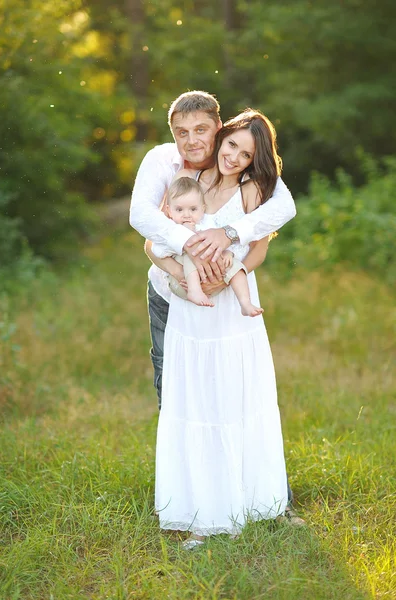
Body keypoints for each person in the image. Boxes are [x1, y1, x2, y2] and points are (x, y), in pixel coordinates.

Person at [130, 91, 304, 525]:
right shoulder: (167, 167)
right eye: (182, 132)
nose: (193, 140)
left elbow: (280, 211)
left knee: (240, 396)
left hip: (227, 304)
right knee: (179, 394)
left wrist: (229, 248)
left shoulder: (249, 179)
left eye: (202, 130)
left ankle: (264, 498)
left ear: (218, 127)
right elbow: (144, 222)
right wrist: (183, 270)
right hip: (172, 297)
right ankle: (192, 495)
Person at [156, 175, 263, 316]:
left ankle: (245, 303)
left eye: (193, 209)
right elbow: (156, 250)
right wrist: (183, 241)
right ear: (169, 211)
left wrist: (226, 253)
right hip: (183, 284)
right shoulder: (170, 232)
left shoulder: (203, 229)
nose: (186, 215)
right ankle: (195, 291)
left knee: (236, 267)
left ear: (202, 209)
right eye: (179, 210)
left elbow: (214, 246)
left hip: (211, 278)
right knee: (192, 252)